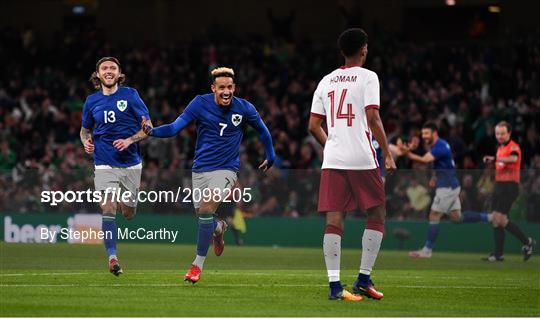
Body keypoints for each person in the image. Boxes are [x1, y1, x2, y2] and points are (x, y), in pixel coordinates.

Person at [143, 67, 275, 283]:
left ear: (234, 88)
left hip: (226, 170)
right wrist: (152, 131)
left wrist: (271, 155)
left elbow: (263, 130)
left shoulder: (245, 108)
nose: (226, 91)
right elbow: (175, 128)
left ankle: (196, 266)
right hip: (200, 170)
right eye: (221, 87)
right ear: (213, 88)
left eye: (230, 87)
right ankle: (219, 228)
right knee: (204, 217)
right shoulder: (199, 103)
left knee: (206, 208)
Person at [308, 28, 396, 301]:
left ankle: (335, 287)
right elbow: (373, 117)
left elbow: (313, 126)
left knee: (334, 220)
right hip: (361, 156)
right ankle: (363, 279)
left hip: (333, 159)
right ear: (364, 49)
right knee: (377, 213)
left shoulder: (326, 80)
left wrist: (332, 144)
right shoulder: (369, 77)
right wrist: (388, 153)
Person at [81, 56, 152, 276]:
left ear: (119, 74)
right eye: (104, 68)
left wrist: (130, 140)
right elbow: (85, 130)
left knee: (128, 213)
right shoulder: (91, 101)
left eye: (113, 68)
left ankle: (126, 202)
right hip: (103, 163)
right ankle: (112, 258)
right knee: (108, 207)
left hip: (131, 163)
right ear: (98, 74)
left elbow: (148, 126)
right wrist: (86, 142)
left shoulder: (130, 95)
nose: (109, 71)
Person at [401, 123, 491, 258]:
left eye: (427, 133)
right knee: (457, 217)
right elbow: (443, 165)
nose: (424, 136)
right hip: (450, 185)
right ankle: (489, 217)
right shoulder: (439, 146)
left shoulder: (440, 146)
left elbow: (424, 160)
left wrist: (407, 153)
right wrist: (434, 177)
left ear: (435, 133)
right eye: (423, 134)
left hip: (447, 188)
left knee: (434, 215)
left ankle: (427, 250)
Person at [482, 121, 535, 262]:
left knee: (500, 219)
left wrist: (495, 158)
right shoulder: (500, 148)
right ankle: (499, 254)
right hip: (499, 186)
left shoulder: (513, 147)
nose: (499, 136)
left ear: (509, 133)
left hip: (510, 187)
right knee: (495, 220)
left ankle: (527, 242)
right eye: (497, 133)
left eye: (502, 133)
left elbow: (514, 158)